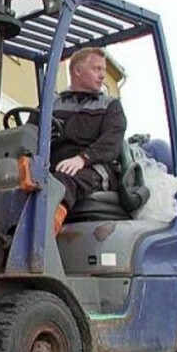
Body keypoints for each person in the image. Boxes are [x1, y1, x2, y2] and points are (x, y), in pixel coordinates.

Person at [50, 46, 128, 233]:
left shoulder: (110, 106)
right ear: (77, 71)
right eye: (97, 69)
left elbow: (111, 143)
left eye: (103, 70)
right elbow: (31, 132)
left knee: (61, 182)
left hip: (95, 168)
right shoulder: (52, 104)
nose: (102, 75)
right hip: (58, 167)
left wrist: (82, 158)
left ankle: (42, 233)